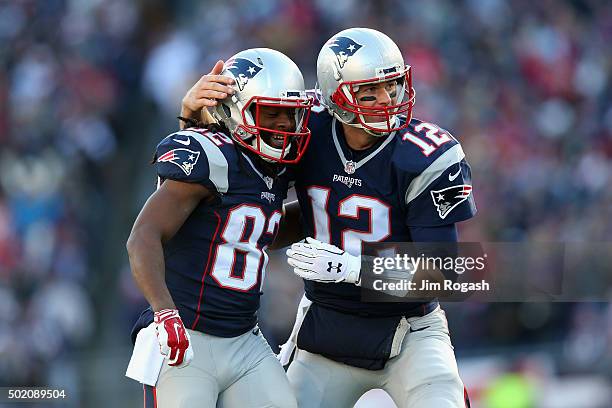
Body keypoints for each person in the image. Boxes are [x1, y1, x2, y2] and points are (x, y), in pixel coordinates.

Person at [180, 28, 476, 408]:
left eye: (392, 85)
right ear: (336, 95)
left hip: (411, 332)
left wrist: (353, 268)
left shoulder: (426, 155)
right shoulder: (305, 130)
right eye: (370, 91)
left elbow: (445, 273)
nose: (388, 100)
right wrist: (190, 119)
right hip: (326, 328)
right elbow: (228, 185)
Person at [125, 48, 312, 408]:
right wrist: (165, 313)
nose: (284, 127)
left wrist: (318, 218)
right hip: (185, 338)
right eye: (271, 113)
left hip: (244, 340)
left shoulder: (277, 167)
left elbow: (258, 231)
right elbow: (142, 237)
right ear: (236, 110)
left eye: (290, 115)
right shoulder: (211, 156)